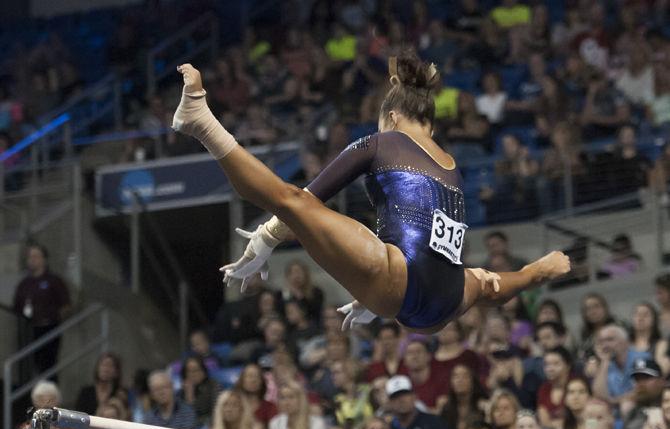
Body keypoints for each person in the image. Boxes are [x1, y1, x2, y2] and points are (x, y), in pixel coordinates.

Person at [173, 57, 570, 339]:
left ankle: (200, 121)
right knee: (485, 286)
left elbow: (305, 198)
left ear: (392, 117)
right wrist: (366, 292)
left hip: (397, 279)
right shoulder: (452, 167)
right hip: (442, 304)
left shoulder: (385, 141)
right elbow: (436, 242)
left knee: (290, 201)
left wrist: (263, 240)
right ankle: (537, 272)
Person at [12, 242, 71, 378]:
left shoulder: (54, 280)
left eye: (36, 256)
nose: (32, 260)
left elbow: (66, 305)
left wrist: (57, 319)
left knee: (48, 365)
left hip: (49, 327)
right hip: (29, 329)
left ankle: (49, 398)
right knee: (30, 366)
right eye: (30, 257)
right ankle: (34, 396)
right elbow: (16, 307)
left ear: (44, 259)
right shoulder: (24, 284)